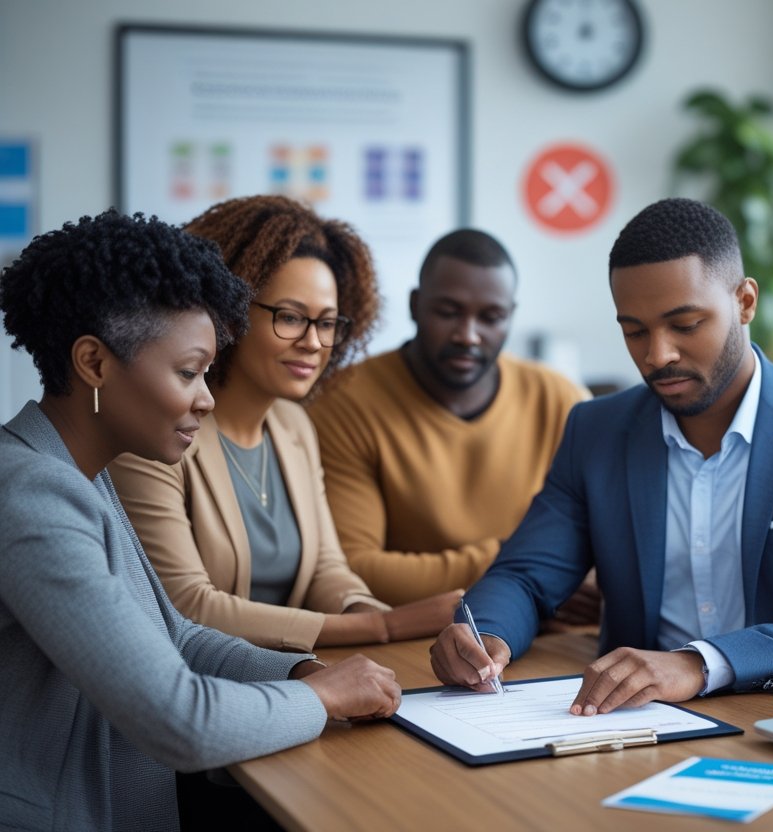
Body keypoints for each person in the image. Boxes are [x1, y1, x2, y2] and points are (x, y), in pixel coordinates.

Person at [430, 198, 773, 714]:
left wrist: (700, 663)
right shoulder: (595, 431)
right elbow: (526, 574)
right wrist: (482, 633)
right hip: (635, 721)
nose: (657, 355)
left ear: (745, 302)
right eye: (634, 330)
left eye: (685, 325)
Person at [0, 211, 400, 831]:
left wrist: (303, 671)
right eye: (188, 373)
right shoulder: (32, 499)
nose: (207, 398)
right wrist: (320, 698)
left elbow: (178, 637)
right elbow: (179, 721)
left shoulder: (82, 473)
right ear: (94, 363)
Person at [110, 196, 461, 652]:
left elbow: (325, 571)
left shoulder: (293, 425)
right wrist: (385, 627)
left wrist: (369, 614)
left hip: (295, 677)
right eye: (291, 318)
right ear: (229, 312)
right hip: (198, 693)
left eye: (328, 323)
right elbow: (187, 606)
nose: (314, 342)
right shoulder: (155, 433)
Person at [307, 229, 588, 606]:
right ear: (414, 305)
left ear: (510, 317)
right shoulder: (344, 402)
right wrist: (528, 567)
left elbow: (604, 546)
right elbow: (354, 571)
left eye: (491, 317)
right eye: (448, 312)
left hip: (554, 633)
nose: (468, 335)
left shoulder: (560, 400)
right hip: (416, 639)